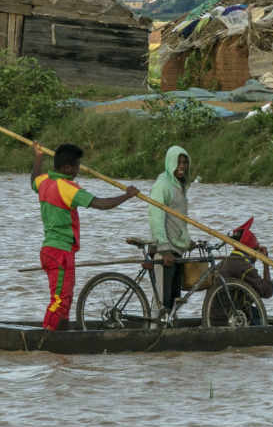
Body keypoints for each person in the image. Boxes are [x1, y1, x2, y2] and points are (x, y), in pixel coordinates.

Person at [32, 142, 138, 331]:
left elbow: (33, 179)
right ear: (67, 168)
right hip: (60, 252)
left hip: (50, 251)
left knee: (65, 298)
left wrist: (38, 157)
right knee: (59, 300)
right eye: (77, 166)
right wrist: (127, 196)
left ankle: (62, 334)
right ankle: (46, 335)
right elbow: (101, 204)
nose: (78, 170)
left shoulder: (44, 181)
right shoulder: (68, 188)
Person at [148, 145, 194, 315]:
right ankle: (155, 328)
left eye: (185, 162)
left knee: (174, 300)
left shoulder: (181, 185)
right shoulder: (163, 185)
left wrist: (187, 241)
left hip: (177, 249)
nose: (181, 166)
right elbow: (156, 217)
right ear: (170, 163)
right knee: (162, 300)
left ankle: (169, 326)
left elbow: (178, 220)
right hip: (166, 251)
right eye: (178, 162)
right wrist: (163, 248)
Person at [215, 217, 273, 300]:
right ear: (251, 250)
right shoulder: (245, 268)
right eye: (256, 249)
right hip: (229, 308)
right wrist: (265, 263)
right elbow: (267, 292)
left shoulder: (225, 262)